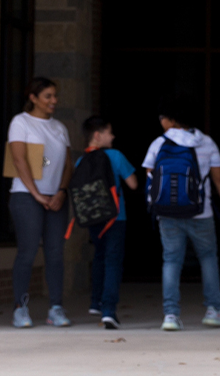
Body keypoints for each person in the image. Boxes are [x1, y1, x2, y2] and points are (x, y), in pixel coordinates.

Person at [143, 99, 220, 331]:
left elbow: (150, 176)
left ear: (172, 120)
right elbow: (219, 180)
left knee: (171, 260)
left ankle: (171, 315)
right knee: (207, 258)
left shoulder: (159, 143)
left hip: (167, 213)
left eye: (162, 118)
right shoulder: (206, 142)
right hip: (200, 211)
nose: (161, 122)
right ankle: (214, 310)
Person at [7, 77, 75, 329]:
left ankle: (56, 307)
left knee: (55, 253)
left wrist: (60, 191)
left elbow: (65, 164)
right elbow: (20, 159)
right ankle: (20, 307)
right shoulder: (21, 122)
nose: (53, 101)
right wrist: (36, 194)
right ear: (33, 98)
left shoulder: (59, 127)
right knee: (27, 251)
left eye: (55, 96)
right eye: (48, 96)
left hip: (55, 197)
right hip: (26, 197)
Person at [78, 116, 139, 330]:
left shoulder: (80, 161)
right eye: (109, 132)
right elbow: (133, 184)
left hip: (94, 219)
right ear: (98, 135)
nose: (112, 136)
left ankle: (96, 302)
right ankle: (109, 311)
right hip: (116, 217)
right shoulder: (116, 156)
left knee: (99, 256)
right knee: (113, 261)